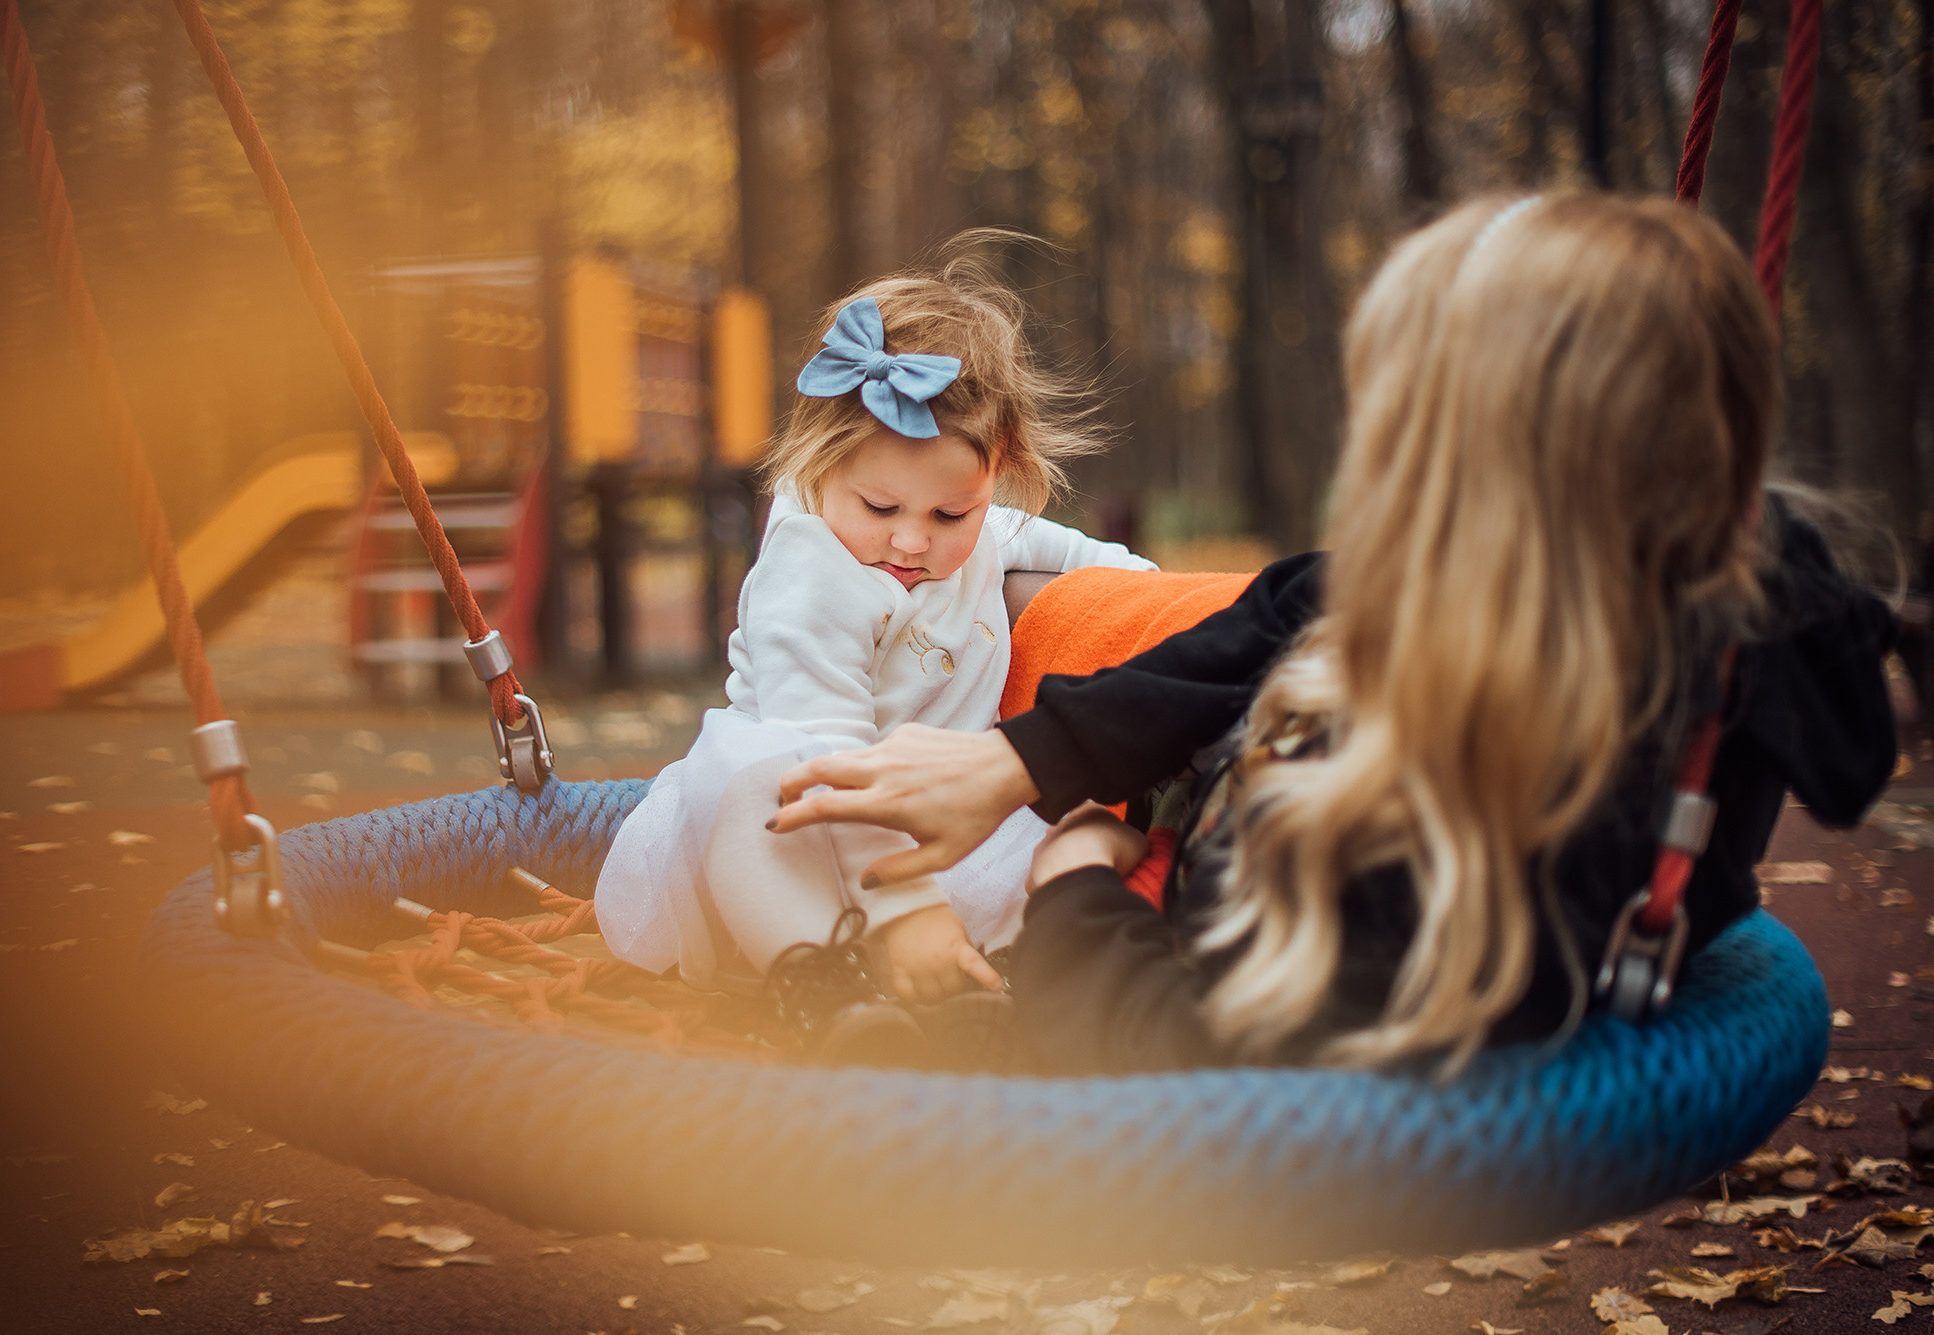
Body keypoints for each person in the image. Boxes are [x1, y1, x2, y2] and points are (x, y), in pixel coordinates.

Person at [768, 193, 1899, 1074]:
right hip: (1233, 824)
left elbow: (1203, 1065)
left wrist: (1076, 889)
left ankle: (987, 1053)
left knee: (1063, 978)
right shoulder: (1616, 583)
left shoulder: (1475, 855)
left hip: (1195, 940)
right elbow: (1290, 605)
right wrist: (1021, 760)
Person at [592, 239, 1153, 1050]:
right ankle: (820, 989)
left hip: (928, 816)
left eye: (950, 515)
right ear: (821, 463)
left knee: (1075, 820)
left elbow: (1110, 569)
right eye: (880, 505)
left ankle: (987, 982)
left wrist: (1209, 610)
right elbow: (826, 758)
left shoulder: (972, 524)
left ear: (995, 476)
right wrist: (904, 909)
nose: (913, 541)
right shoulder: (812, 568)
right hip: (812, 812)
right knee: (761, 805)